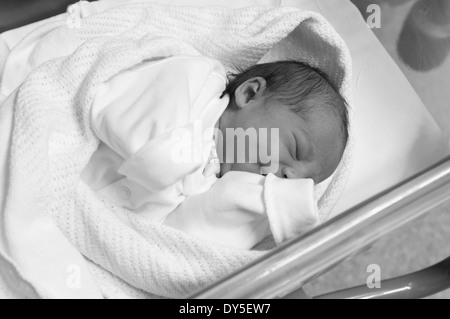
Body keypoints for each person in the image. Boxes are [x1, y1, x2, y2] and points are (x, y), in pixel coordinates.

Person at [82, 55, 349, 249]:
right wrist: (174, 160)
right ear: (250, 93)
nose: (292, 175)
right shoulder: (197, 83)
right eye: (296, 148)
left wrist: (270, 203)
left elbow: (179, 248)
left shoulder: (215, 192)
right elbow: (111, 106)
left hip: (84, 229)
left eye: (304, 181)